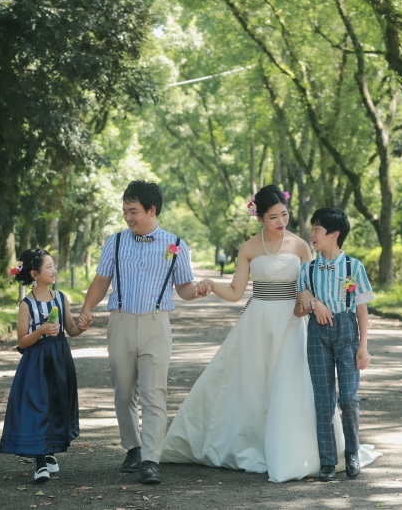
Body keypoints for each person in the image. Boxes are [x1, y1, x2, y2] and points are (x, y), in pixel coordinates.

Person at [160, 186, 379, 482]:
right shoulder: (249, 248)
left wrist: (311, 301)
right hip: (258, 322)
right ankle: (251, 442)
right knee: (251, 385)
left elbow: (310, 282)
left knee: (290, 386)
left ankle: (301, 452)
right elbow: (237, 291)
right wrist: (212, 285)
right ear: (260, 217)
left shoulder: (301, 245)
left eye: (284, 214)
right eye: (273, 217)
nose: (281, 221)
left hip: (292, 322)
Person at [77, 180, 202, 485]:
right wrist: (86, 309)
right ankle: (133, 446)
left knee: (154, 393)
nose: (128, 217)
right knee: (123, 392)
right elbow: (101, 281)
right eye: (124, 211)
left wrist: (197, 290)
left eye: (133, 211)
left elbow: (184, 288)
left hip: (156, 324)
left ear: (151, 210)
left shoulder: (175, 244)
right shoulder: (115, 241)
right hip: (120, 322)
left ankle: (150, 459)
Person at [298, 207, 374, 481]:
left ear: (334, 234)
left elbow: (362, 308)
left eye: (318, 228)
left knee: (349, 397)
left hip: (346, 331)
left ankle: (352, 453)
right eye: (313, 228)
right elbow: (298, 307)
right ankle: (328, 461)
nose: (313, 234)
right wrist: (312, 301)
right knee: (323, 400)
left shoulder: (353, 267)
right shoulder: (306, 270)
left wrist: (363, 346)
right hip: (317, 334)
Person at [0, 248, 84, 483]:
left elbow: (71, 329)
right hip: (36, 361)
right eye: (49, 267)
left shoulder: (61, 298)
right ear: (35, 274)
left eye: (54, 265)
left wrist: (82, 325)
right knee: (38, 406)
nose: (54, 270)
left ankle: (48, 451)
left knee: (55, 404)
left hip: (59, 359)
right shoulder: (26, 304)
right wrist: (41, 330)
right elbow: (23, 341)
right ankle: (40, 463)